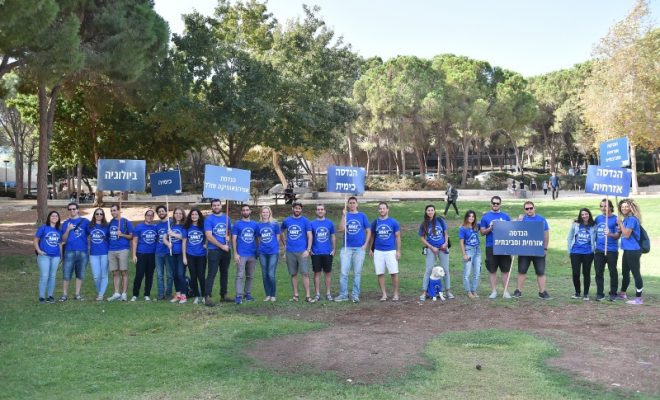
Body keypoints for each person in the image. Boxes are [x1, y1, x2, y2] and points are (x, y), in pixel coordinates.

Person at [513, 201, 551, 300]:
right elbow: (514, 231)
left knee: (540, 271)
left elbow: (546, 234)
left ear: (534, 208)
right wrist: (518, 221)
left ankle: (542, 292)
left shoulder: (541, 219)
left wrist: (545, 248)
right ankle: (518, 291)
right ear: (524, 210)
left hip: (538, 249)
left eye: (531, 208)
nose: (529, 210)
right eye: (527, 209)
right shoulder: (522, 219)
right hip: (524, 250)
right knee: (522, 271)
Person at [336, 196, 371, 302]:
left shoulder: (362, 216)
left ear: (357, 204)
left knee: (357, 273)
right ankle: (343, 294)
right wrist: (343, 216)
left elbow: (368, 231)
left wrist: (365, 244)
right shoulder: (346, 215)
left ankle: (355, 295)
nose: (352, 204)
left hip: (359, 248)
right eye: (350, 203)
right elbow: (341, 229)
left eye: (353, 203)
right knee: (343, 272)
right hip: (346, 248)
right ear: (347, 204)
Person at [479, 196, 512, 299]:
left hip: (504, 246)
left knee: (505, 270)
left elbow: (511, 231)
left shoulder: (506, 216)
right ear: (491, 203)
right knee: (492, 270)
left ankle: (505, 291)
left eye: (497, 203)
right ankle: (493, 291)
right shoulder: (485, 217)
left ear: (500, 204)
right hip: (491, 246)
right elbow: (482, 232)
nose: (495, 205)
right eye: (494, 203)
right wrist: (491, 227)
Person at [418, 204, 452, 301]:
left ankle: (448, 291)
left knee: (445, 269)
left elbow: (446, 234)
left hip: (442, 248)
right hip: (431, 248)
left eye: (432, 210)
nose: (430, 212)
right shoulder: (424, 223)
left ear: (434, 211)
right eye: (428, 210)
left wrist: (445, 243)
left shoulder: (440, 220)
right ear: (426, 211)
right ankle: (424, 292)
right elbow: (422, 238)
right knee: (428, 269)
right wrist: (431, 247)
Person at [281, 202, 312, 302]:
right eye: (295, 208)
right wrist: (284, 244)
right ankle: (296, 295)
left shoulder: (306, 221)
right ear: (292, 209)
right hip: (290, 251)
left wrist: (308, 250)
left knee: (305, 273)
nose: (297, 210)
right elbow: (281, 231)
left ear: (301, 210)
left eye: (299, 208)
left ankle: (308, 295)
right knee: (293, 274)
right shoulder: (287, 220)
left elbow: (310, 236)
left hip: (302, 251)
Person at [370, 202, 401, 301]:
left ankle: (395, 294)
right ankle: (384, 294)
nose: (382, 210)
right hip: (378, 251)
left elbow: (398, 237)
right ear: (378, 210)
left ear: (387, 210)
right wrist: (371, 249)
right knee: (380, 273)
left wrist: (398, 251)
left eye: (384, 208)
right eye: (380, 208)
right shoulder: (375, 223)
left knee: (394, 273)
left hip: (391, 251)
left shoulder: (393, 222)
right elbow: (372, 237)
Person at [204, 199, 232, 306]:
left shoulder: (227, 218)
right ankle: (207, 296)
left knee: (224, 273)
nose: (216, 207)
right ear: (211, 207)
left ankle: (223, 295)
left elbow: (229, 231)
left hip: (226, 250)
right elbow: (209, 236)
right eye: (214, 205)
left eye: (218, 205)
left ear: (221, 206)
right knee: (212, 273)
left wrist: (228, 237)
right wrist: (222, 246)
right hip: (214, 250)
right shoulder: (209, 219)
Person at [59, 202, 90, 301]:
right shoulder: (65, 223)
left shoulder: (85, 222)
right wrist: (68, 229)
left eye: (74, 209)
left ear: (78, 210)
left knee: (80, 273)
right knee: (67, 273)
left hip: (83, 251)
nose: (72, 211)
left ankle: (77, 294)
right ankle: (64, 294)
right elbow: (63, 239)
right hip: (69, 251)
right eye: (70, 209)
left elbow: (91, 233)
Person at [617, 199, 644, 305]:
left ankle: (638, 299)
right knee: (625, 273)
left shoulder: (632, 219)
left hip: (633, 250)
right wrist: (620, 226)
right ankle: (623, 293)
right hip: (627, 250)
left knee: (636, 273)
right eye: (622, 206)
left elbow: (627, 235)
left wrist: (620, 224)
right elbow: (623, 233)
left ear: (631, 208)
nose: (624, 208)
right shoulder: (626, 219)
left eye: (626, 206)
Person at [593, 199, 621, 301]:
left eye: (606, 206)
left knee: (612, 271)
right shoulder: (598, 218)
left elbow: (618, 236)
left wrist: (610, 234)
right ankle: (600, 294)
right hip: (599, 249)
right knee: (598, 272)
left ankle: (613, 293)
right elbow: (590, 227)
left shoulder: (616, 219)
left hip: (611, 249)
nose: (603, 208)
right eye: (602, 206)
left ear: (611, 207)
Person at [567, 208, 596, 300]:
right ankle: (577, 292)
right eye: (582, 214)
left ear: (589, 214)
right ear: (580, 216)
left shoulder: (594, 225)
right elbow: (570, 237)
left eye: (586, 214)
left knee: (586, 273)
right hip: (575, 252)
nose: (584, 216)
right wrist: (569, 251)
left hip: (588, 252)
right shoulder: (575, 225)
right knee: (575, 273)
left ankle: (586, 294)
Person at [232, 204, 259, 304]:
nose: (245, 212)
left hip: (252, 253)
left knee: (250, 276)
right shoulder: (237, 224)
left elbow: (257, 238)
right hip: (241, 254)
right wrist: (235, 253)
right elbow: (234, 239)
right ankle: (239, 295)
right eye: (243, 210)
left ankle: (247, 294)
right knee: (240, 275)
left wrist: (257, 250)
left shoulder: (254, 224)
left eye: (247, 210)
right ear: (241, 212)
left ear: (250, 211)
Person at [309, 204, 336, 302]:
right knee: (317, 274)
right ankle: (317, 294)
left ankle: (328, 293)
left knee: (327, 273)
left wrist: (334, 249)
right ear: (316, 211)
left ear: (325, 211)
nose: (320, 211)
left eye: (322, 209)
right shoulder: (311, 223)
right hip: (316, 253)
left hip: (327, 252)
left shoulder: (330, 223)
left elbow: (333, 236)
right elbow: (309, 237)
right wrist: (310, 249)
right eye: (318, 209)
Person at [107, 204, 134, 301]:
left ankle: (124, 294)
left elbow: (131, 236)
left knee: (124, 272)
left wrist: (121, 234)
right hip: (111, 250)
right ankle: (117, 293)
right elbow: (107, 235)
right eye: (111, 211)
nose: (113, 212)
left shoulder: (126, 222)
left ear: (119, 211)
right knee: (115, 272)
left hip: (123, 249)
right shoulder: (110, 222)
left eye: (114, 210)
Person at [34, 211, 62, 303]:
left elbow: (59, 243)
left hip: (56, 257)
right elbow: (35, 241)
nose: (54, 217)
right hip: (44, 256)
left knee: (52, 276)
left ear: (58, 218)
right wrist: (38, 251)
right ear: (49, 217)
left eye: (56, 216)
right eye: (52, 216)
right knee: (45, 276)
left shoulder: (58, 230)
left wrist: (61, 255)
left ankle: (50, 296)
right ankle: (42, 296)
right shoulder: (43, 228)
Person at [131, 209, 158, 301]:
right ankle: (135, 294)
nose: (149, 217)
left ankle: (147, 294)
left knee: (149, 275)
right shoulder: (139, 227)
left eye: (151, 215)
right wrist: (134, 255)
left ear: (153, 217)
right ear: (145, 216)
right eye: (148, 215)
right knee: (139, 274)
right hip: (141, 253)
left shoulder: (155, 227)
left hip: (152, 254)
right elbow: (134, 242)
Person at [163, 208, 187, 304]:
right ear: (174, 215)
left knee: (181, 274)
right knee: (175, 275)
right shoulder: (170, 225)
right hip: (171, 253)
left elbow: (185, 238)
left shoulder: (185, 226)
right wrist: (167, 243)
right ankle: (178, 295)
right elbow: (164, 238)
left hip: (181, 253)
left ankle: (184, 295)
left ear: (183, 215)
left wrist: (173, 234)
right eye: (176, 213)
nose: (178, 215)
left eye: (180, 213)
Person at [257, 206, 280, 302]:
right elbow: (258, 238)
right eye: (263, 212)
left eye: (267, 212)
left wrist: (274, 246)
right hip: (262, 252)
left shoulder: (274, 224)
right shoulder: (258, 225)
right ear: (261, 213)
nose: (265, 214)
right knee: (264, 274)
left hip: (273, 252)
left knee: (271, 274)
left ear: (270, 213)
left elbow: (278, 236)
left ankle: (273, 294)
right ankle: (267, 295)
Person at [183, 208, 206, 304]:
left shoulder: (203, 226)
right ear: (190, 216)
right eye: (192, 214)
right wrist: (184, 257)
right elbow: (184, 243)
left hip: (201, 255)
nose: (194, 216)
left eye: (196, 214)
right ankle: (196, 296)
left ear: (199, 216)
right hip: (190, 255)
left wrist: (207, 243)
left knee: (201, 275)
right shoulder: (187, 227)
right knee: (193, 276)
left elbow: (209, 235)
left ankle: (204, 296)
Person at [88, 208, 109, 301]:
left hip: (105, 253)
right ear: (94, 215)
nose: (99, 215)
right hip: (93, 254)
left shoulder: (106, 226)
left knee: (104, 275)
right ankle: (100, 292)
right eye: (97, 214)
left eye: (101, 214)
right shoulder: (90, 226)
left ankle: (100, 294)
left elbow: (112, 238)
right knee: (96, 276)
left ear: (103, 215)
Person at [459, 210, 481, 299]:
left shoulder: (476, 226)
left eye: (473, 216)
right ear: (466, 217)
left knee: (477, 272)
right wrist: (464, 254)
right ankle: (468, 291)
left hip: (477, 251)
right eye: (469, 216)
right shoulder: (463, 228)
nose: (471, 218)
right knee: (467, 273)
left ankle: (473, 290)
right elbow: (461, 242)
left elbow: (485, 222)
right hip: (468, 250)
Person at [154, 205, 172, 301]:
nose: (161, 213)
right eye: (159, 212)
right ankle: (161, 294)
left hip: (169, 252)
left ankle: (168, 294)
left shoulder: (171, 223)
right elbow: (156, 238)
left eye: (162, 211)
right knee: (159, 275)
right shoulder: (157, 225)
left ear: (166, 212)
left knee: (169, 275)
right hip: (158, 252)